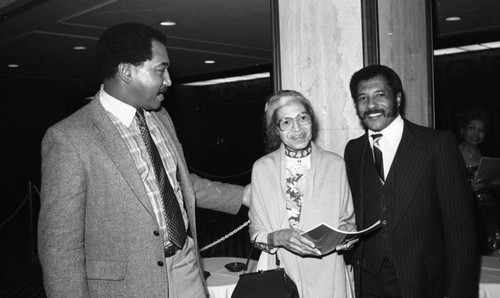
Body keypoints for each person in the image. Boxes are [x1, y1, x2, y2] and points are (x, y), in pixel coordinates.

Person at [38, 22, 250, 298]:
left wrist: (243, 195)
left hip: (186, 265)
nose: (169, 80)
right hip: (128, 286)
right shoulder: (69, 138)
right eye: (161, 70)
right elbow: (60, 248)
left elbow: (178, 183)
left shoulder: (161, 117)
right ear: (127, 71)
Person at [343, 65, 478, 298]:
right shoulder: (354, 151)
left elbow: (461, 232)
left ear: (397, 98)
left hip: (423, 282)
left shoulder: (436, 144)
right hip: (369, 280)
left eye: (379, 95)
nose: (371, 105)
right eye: (362, 98)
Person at [248, 90, 356, 298]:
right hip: (280, 274)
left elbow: (347, 222)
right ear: (275, 129)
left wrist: (346, 234)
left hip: (328, 273)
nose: (297, 128)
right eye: (286, 122)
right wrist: (279, 237)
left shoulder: (335, 165)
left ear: (311, 121)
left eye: (302, 118)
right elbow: (256, 233)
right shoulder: (262, 168)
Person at [457, 110, 500, 253]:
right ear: (462, 130)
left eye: (481, 130)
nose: (476, 133)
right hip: (463, 212)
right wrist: (468, 189)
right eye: (472, 128)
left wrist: (493, 183)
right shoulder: (452, 154)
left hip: (487, 212)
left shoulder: (486, 154)